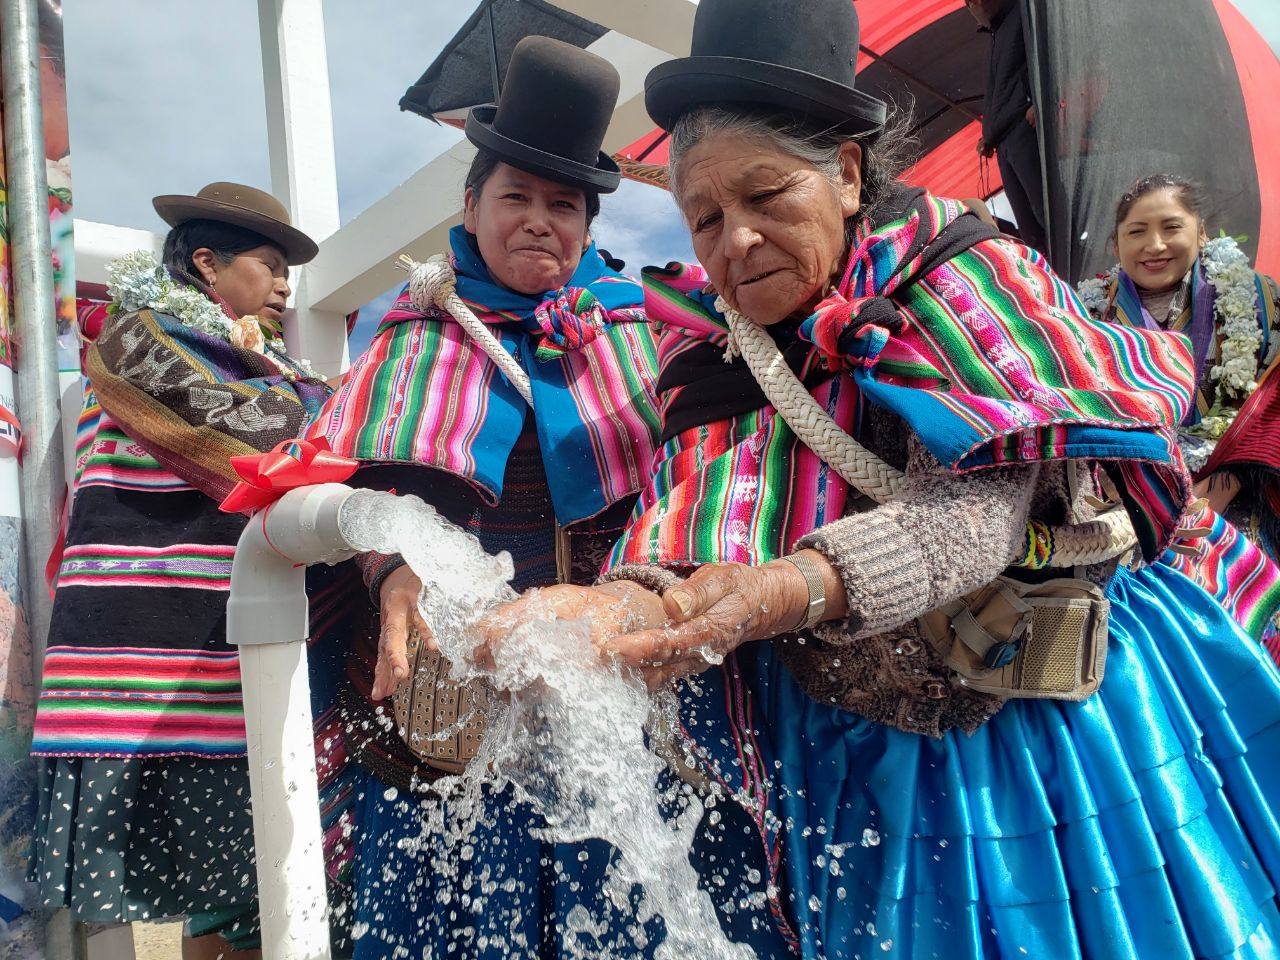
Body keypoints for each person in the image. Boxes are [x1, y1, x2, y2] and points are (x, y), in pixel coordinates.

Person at [477, 2, 1280, 957]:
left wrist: (784, 587)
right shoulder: (709, 360)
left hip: (1036, 715)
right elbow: (697, 527)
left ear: (848, 175)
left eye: (766, 196)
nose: (734, 241)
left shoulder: (965, 275)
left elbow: (982, 507)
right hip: (844, 743)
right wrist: (625, 604)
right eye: (705, 218)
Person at [308, 36, 779, 959]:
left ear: (588, 221)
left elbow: (712, 471)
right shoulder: (408, 337)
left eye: (561, 204)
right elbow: (355, 482)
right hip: (460, 702)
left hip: (622, 683)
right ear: (470, 204)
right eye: (514, 196)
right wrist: (395, 570)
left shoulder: (650, 330)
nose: (538, 220)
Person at [29, 183, 329, 959]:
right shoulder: (139, 343)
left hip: (209, 642)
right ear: (206, 262)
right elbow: (273, 433)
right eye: (270, 265)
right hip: (144, 652)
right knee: (233, 897)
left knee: (239, 907)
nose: (286, 285)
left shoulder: (247, 359)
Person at [1079, 174, 1280, 642]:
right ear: (1115, 242)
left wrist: (1218, 486)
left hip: (1240, 506)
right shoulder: (1086, 315)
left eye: (1171, 227)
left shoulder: (1261, 302)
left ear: (1200, 231)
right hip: (1127, 515)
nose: (1154, 245)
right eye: (1136, 231)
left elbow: (1271, 405)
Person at [967, 0, 1046, 254]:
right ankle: (1052, 278)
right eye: (968, 3)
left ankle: (1077, 279)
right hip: (1003, 141)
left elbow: (1044, 55)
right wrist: (988, 135)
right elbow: (1002, 90)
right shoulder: (997, 33)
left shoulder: (1024, 11)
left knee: (1045, 212)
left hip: (1024, 128)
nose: (973, 6)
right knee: (1028, 225)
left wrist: (1040, 102)